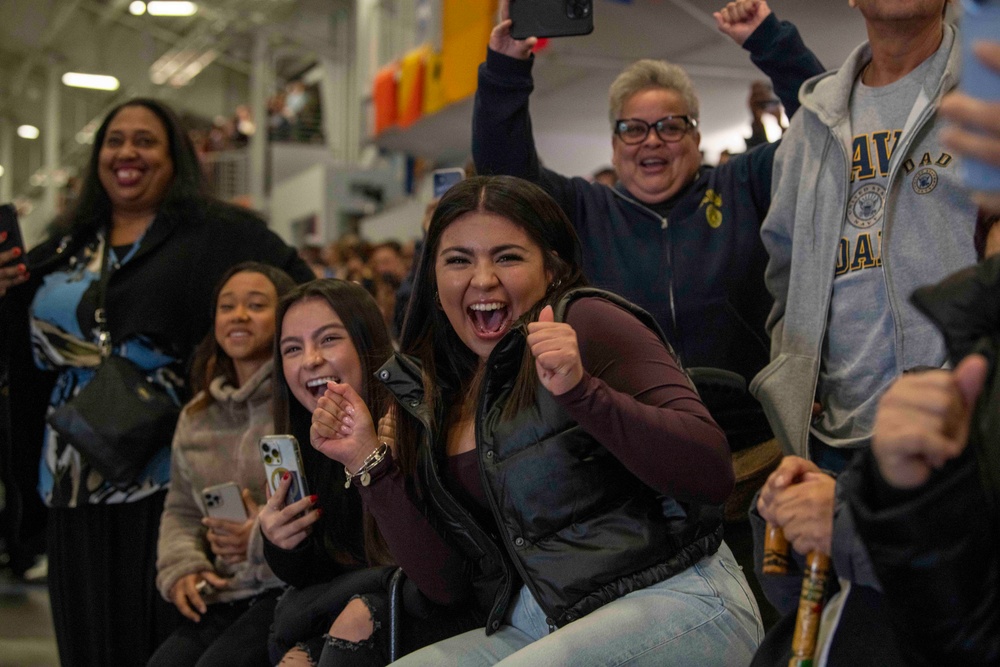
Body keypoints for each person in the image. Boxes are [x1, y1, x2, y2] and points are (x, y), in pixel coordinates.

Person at [311, 175, 763, 665]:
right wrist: (368, 463)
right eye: (458, 260)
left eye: (507, 257)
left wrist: (582, 393)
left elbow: (711, 472)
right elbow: (447, 585)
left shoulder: (586, 321)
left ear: (552, 268)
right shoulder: (434, 387)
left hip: (677, 596)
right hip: (539, 621)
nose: (482, 279)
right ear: (433, 277)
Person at [0, 98, 313, 666]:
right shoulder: (67, 245)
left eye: (145, 141)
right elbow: (20, 348)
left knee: (161, 640)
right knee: (86, 643)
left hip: (167, 475)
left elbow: (306, 300)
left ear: (175, 158)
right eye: (115, 141)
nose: (127, 153)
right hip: (73, 476)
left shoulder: (220, 236)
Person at [474, 0, 824, 452]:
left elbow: (822, 131)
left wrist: (770, 41)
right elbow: (504, 175)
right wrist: (505, 68)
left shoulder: (744, 184)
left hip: (755, 443)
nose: (652, 140)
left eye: (671, 126)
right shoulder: (582, 209)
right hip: (628, 453)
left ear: (697, 138)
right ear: (615, 145)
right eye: (634, 128)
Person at [259, 279, 478, 666]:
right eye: (292, 348)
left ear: (366, 343)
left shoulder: (413, 410)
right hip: (343, 605)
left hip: (432, 606)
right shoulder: (308, 433)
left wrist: (377, 468)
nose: (309, 359)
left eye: (328, 339)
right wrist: (281, 542)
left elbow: (440, 578)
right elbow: (318, 570)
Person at [149, 262, 296, 667]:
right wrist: (183, 566)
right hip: (225, 592)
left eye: (256, 305)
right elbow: (180, 508)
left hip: (287, 587)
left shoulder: (300, 402)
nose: (239, 316)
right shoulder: (197, 414)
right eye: (228, 306)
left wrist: (259, 538)